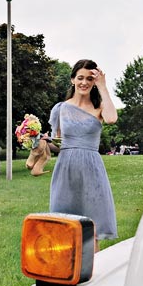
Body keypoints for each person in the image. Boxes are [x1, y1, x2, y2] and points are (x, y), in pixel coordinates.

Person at [49, 59, 118, 252]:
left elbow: (112, 118)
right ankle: (66, 274)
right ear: (72, 80)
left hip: (91, 170)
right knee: (64, 223)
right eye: (80, 78)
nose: (84, 82)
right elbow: (57, 144)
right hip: (65, 169)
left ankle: (93, 275)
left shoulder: (99, 107)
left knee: (91, 226)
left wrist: (103, 86)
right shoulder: (61, 109)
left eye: (89, 79)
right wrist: (39, 142)